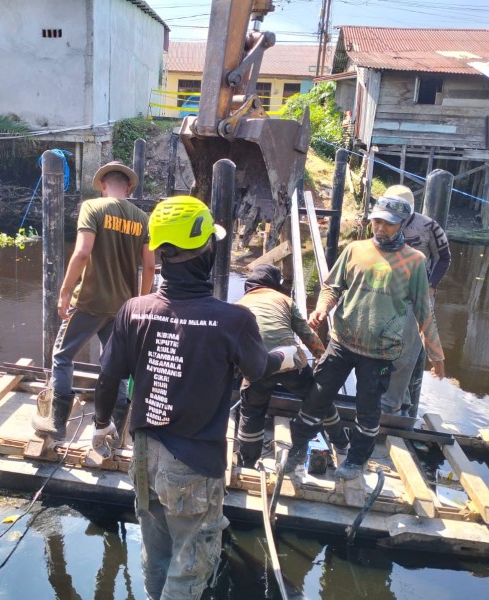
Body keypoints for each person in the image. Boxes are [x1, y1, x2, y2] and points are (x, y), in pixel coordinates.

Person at [90, 196, 298, 600]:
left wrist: (102, 423)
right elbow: (258, 370)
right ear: (206, 250)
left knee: (156, 552)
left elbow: (108, 376)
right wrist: (284, 357)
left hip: (145, 455)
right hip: (194, 463)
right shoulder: (233, 319)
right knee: (192, 560)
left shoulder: (134, 309)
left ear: (160, 252)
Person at [287, 193, 446, 480]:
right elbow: (332, 287)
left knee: (368, 408)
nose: (381, 228)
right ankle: (296, 450)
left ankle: (357, 460)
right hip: (343, 340)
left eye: (388, 223)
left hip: (380, 352)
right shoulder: (355, 250)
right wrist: (322, 308)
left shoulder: (414, 262)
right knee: (317, 396)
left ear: (402, 225)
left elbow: (424, 312)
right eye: (377, 221)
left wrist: (436, 356)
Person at [33, 161, 156, 442]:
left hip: (89, 301)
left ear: (103, 185)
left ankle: (57, 422)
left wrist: (64, 291)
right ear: (128, 187)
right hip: (122, 307)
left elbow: (83, 252)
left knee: (63, 356)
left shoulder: (93, 207)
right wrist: (138, 302)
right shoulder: (141, 218)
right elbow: (149, 266)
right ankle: (114, 426)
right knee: (115, 366)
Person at [235, 264, 336, 467]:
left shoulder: (239, 305)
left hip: (258, 366)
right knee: (317, 399)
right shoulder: (285, 299)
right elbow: (308, 335)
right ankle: (340, 441)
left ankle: (248, 461)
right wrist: (322, 360)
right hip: (291, 363)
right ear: (273, 283)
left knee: (252, 410)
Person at [379, 185, 451, 418]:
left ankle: (391, 405)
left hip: (415, 295)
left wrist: (431, 286)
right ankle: (399, 398)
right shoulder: (381, 223)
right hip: (386, 294)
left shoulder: (428, 226)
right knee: (380, 348)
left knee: (406, 353)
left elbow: (444, 257)